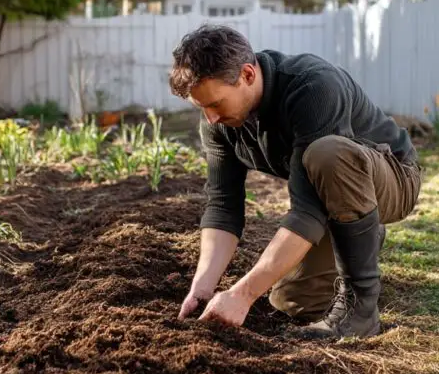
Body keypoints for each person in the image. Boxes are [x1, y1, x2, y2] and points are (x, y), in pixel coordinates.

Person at [169, 24, 421, 339]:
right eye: (202, 108)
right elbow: (223, 206)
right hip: (331, 193)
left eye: (216, 104)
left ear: (248, 75)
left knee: (327, 153)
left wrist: (243, 294)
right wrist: (202, 288)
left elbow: (306, 211)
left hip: (393, 178)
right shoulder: (219, 124)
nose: (211, 118)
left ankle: (361, 313)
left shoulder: (313, 88)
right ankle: (362, 239)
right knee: (292, 301)